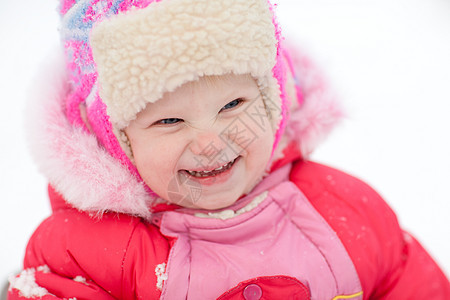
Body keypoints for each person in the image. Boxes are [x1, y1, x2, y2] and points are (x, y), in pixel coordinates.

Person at [7, 0, 449, 299]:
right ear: (113, 138)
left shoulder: (344, 209)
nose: (210, 142)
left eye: (234, 105)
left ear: (273, 100)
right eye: (169, 120)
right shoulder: (83, 254)